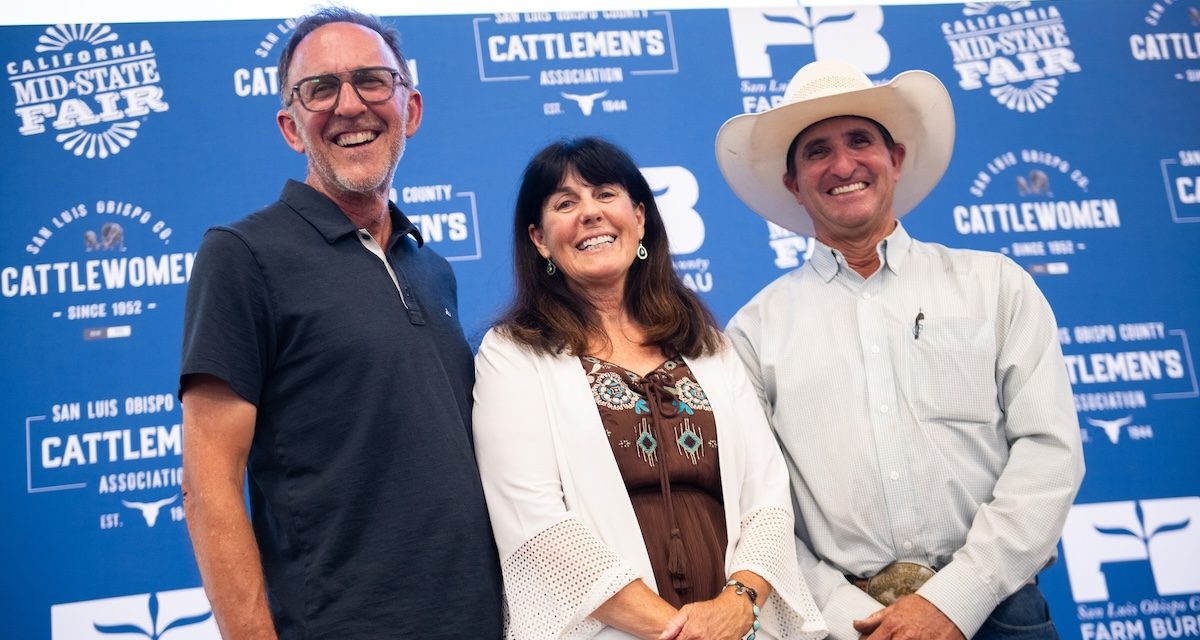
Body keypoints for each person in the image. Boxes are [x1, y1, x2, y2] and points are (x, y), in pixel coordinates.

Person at [716, 59, 1085, 640]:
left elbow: (1050, 453)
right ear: (794, 184)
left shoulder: (996, 285)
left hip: (999, 614)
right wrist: (848, 619)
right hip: (844, 627)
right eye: (816, 151)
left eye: (860, 140)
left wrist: (955, 598)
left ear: (896, 159)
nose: (842, 165)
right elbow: (758, 507)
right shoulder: (751, 335)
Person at [178, 8, 503, 639]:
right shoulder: (242, 255)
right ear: (291, 127)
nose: (348, 105)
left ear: (409, 109)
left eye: (372, 81)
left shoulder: (432, 267)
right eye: (319, 89)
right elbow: (207, 481)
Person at [472, 137, 827, 640]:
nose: (589, 214)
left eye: (605, 194)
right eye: (565, 203)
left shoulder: (706, 345)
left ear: (639, 218)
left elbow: (767, 497)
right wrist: (683, 632)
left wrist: (738, 605)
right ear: (538, 238)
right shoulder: (513, 354)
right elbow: (535, 523)